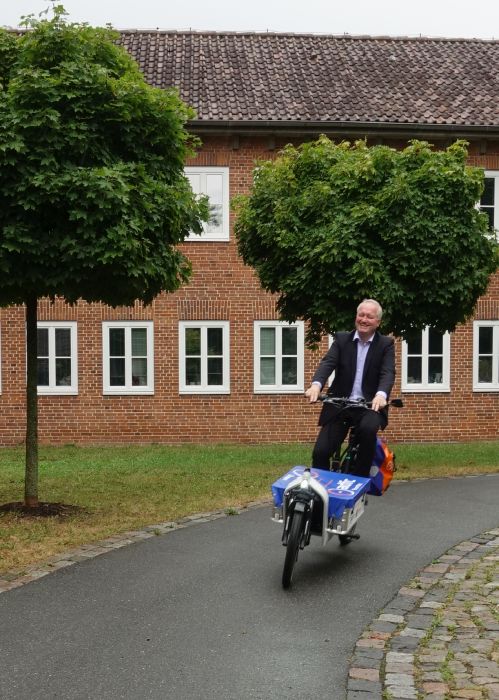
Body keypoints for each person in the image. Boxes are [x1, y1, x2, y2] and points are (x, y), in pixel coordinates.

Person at [305, 299, 395, 477]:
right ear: (356, 317)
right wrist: (316, 385)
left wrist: (381, 394)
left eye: (369, 316)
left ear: (378, 322)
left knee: (368, 430)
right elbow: (327, 363)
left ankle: (360, 480)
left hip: (369, 405)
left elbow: (388, 373)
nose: (364, 319)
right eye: (361, 315)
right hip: (340, 404)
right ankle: (323, 493)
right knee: (321, 452)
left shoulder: (385, 344)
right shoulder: (341, 339)